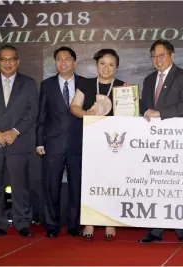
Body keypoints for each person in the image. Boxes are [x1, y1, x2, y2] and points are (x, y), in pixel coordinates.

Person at [138, 39, 183, 243]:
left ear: (172, 55)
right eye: (154, 56)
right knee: (155, 185)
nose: (157, 59)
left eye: (161, 55)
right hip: (153, 142)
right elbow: (144, 109)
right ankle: (155, 230)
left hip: (177, 141)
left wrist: (159, 113)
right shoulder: (147, 80)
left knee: (178, 185)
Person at [0, 45, 38, 237]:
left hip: (18, 143)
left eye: (12, 59)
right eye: (4, 59)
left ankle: (22, 222)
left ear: (18, 62)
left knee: (20, 185)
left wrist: (15, 131)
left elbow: (32, 112)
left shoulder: (28, 83)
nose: (8, 63)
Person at [70, 48, 125, 241]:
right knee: (90, 182)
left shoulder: (122, 87)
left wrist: (130, 98)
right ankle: (90, 221)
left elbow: (132, 113)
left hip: (114, 144)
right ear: (96, 65)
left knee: (111, 182)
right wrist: (87, 115)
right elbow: (74, 106)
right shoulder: (85, 83)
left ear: (116, 67)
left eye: (111, 65)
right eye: (103, 64)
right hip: (89, 140)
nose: (106, 68)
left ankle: (111, 222)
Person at [36, 47, 85, 238]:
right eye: (59, 59)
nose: (63, 62)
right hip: (53, 144)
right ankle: (51, 226)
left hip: (78, 144)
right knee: (51, 187)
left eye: (67, 59)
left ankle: (74, 225)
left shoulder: (84, 83)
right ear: (55, 62)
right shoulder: (47, 85)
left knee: (76, 187)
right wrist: (39, 142)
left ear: (75, 62)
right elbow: (42, 116)